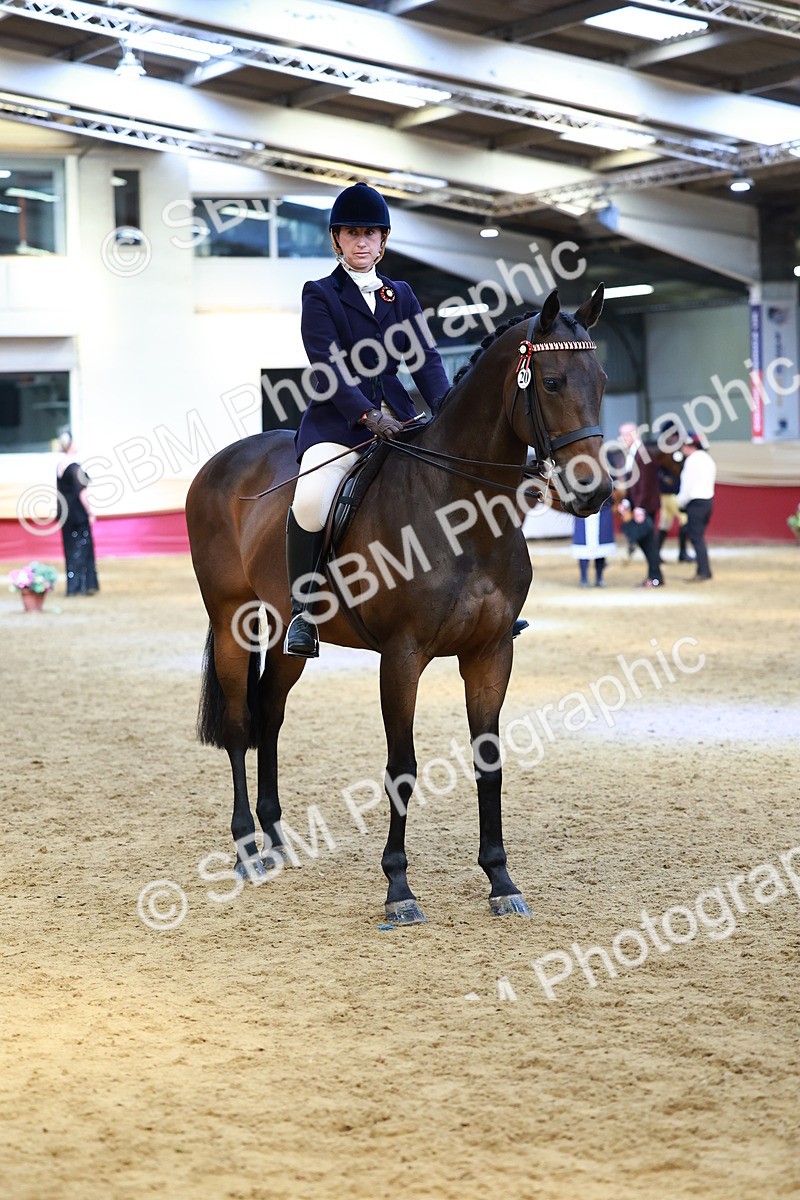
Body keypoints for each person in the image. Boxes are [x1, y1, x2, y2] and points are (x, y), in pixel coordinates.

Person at [285, 181, 450, 657]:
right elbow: (328, 366)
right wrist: (366, 415)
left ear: (383, 240)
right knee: (312, 500)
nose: (361, 241)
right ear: (336, 239)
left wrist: (446, 411)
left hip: (402, 422)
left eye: (370, 233)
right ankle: (303, 612)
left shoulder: (402, 294)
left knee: (454, 482)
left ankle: (477, 592)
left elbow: (426, 361)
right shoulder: (320, 294)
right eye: (352, 232)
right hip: (339, 425)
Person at [617, 421, 662, 588]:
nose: (622, 439)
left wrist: (640, 507)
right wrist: (627, 502)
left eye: (624, 435)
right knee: (646, 543)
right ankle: (654, 576)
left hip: (646, 506)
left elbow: (646, 484)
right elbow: (633, 484)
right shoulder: (634, 454)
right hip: (640, 506)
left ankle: (655, 577)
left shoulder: (643, 454)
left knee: (649, 543)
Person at [55, 431, 99, 596]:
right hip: (78, 513)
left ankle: (73, 585)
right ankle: (84, 585)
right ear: (71, 445)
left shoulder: (59, 466)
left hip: (66, 514)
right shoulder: (75, 467)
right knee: (83, 547)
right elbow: (82, 494)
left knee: (70, 548)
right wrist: (90, 512)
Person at [676, 433, 716, 581]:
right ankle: (703, 570)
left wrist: (680, 502)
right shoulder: (707, 459)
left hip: (695, 502)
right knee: (699, 537)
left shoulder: (692, 461)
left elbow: (687, 485)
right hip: (707, 501)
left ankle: (703, 571)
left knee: (696, 538)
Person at [571, 503, 616, 587]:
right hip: (582, 509)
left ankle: (599, 578)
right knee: (582, 547)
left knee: (602, 547)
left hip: (603, 509)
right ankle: (583, 578)